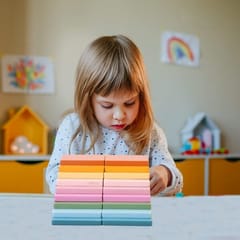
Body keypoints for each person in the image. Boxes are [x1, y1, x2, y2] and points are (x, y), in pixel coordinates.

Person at [46, 34, 183, 196]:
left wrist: (165, 173)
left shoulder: (150, 132)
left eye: (130, 103)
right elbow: (53, 175)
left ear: (141, 97)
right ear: (88, 99)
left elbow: (177, 180)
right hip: (86, 214)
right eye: (107, 105)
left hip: (134, 216)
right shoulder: (72, 127)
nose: (119, 115)